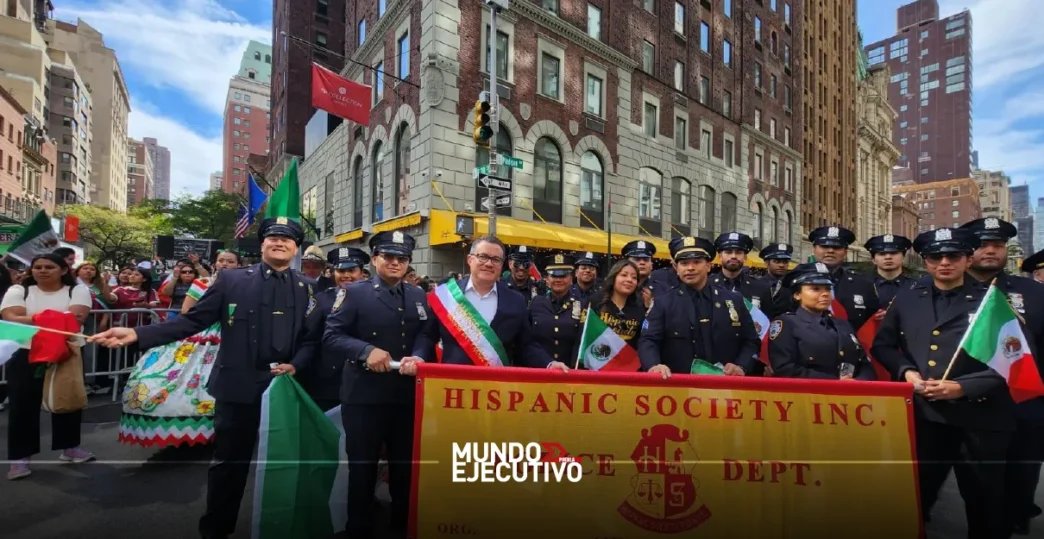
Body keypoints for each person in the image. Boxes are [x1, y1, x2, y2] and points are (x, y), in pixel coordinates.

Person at [89, 217, 317, 539]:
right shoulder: (232, 281)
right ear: (262, 244)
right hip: (238, 387)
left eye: (287, 239)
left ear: (296, 248)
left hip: (285, 387)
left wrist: (297, 364)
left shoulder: (308, 287)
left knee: (284, 461)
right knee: (229, 465)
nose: (279, 243)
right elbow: (190, 321)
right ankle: (216, 529)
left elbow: (311, 339)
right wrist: (137, 334)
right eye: (272, 238)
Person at [872, 227, 1012, 538]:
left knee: (985, 503)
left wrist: (963, 387)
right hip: (926, 416)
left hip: (979, 416)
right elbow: (882, 345)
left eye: (953, 256)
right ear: (925, 260)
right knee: (917, 498)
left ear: (968, 258)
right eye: (936, 257)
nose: (944, 262)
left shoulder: (991, 300)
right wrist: (906, 371)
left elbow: (1013, 360)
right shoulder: (908, 298)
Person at [322, 231, 432, 539]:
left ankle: (402, 527)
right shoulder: (355, 293)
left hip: (406, 396)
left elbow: (425, 333)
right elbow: (332, 336)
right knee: (363, 469)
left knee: (404, 469)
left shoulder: (417, 295)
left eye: (402, 258)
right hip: (364, 396)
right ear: (375, 259)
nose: (395, 263)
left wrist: (420, 355)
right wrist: (365, 351)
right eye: (389, 257)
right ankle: (359, 528)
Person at [960, 217, 1044, 534]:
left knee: (1021, 479)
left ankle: (1014, 516)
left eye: (997, 245)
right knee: (978, 487)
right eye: (983, 245)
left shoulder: (1033, 293)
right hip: (970, 404)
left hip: (1023, 402)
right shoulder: (949, 289)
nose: (991, 251)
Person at [117, 250, 242, 448]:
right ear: (215, 263)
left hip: (230, 334)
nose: (225, 264)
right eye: (221, 261)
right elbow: (186, 310)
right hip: (198, 334)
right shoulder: (202, 283)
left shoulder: (242, 285)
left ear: (238, 265)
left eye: (230, 261)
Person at [5, 253, 94, 480]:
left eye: (49, 267)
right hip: (25, 351)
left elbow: (76, 319)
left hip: (66, 352)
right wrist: (55, 318)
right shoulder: (19, 290)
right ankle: (19, 458)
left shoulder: (78, 290)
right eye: (37, 267)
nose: (42, 271)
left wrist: (34, 318)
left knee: (67, 399)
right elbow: (9, 316)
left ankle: (70, 447)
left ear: (63, 270)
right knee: (22, 404)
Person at [430, 236, 563, 370]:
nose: (488, 264)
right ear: (470, 259)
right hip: (452, 384)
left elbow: (526, 344)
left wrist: (549, 363)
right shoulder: (446, 295)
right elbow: (427, 336)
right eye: (482, 256)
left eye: (496, 259)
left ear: (502, 264)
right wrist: (418, 357)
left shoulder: (516, 300)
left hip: (495, 387)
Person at [638, 236, 760, 378]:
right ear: (676, 268)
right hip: (678, 387)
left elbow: (751, 340)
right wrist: (654, 365)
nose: (690, 268)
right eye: (684, 263)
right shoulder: (663, 302)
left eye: (697, 262)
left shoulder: (734, 300)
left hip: (725, 387)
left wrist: (741, 366)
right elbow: (648, 341)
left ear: (708, 266)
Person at [767, 263, 877, 381]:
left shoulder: (843, 324)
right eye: (815, 289)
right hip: (810, 395)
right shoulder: (787, 323)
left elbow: (864, 364)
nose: (825, 294)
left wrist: (859, 382)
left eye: (828, 289)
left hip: (849, 395)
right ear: (797, 295)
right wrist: (835, 383)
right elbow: (785, 368)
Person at [297, 246, 370, 412]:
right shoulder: (321, 300)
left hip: (364, 377)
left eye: (351, 270)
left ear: (361, 272)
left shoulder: (374, 298)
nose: (346, 276)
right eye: (340, 271)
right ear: (333, 273)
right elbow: (310, 338)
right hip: (328, 381)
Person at [807, 226, 879, 331]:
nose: (830, 251)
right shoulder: (795, 282)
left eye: (836, 247)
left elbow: (871, 324)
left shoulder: (863, 284)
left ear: (845, 252)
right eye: (824, 246)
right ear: (814, 250)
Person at [578, 260, 645, 365]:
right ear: (614, 278)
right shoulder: (595, 301)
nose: (629, 280)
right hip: (595, 365)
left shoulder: (640, 307)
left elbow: (641, 342)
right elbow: (582, 337)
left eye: (634, 277)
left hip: (626, 368)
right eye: (624, 275)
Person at [529, 253, 585, 365]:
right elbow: (528, 340)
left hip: (570, 372)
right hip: (540, 369)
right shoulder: (536, 303)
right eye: (554, 275)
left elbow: (582, 343)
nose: (558, 279)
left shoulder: (583, 304)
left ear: (571, 279)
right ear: (547, 279)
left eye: (563, 275)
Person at [864, 234, 914, 307]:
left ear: (903, 257)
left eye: (894, 253)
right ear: (873, 259)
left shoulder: (915, 286)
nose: (888, 257)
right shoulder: (863, 285)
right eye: (882, 254)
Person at [758, 243, 794, 319]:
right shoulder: (756, 284)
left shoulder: (793, 286)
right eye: (777, 261)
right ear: (767, 263)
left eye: (785, 262)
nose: (781, 265)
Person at [622, 240, 659, 309]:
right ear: (626, 263)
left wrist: (651, 307)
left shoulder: (662, 289)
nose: (642, 263)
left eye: (646, 260)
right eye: (637, 259)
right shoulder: (617, 286)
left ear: (651, 265)